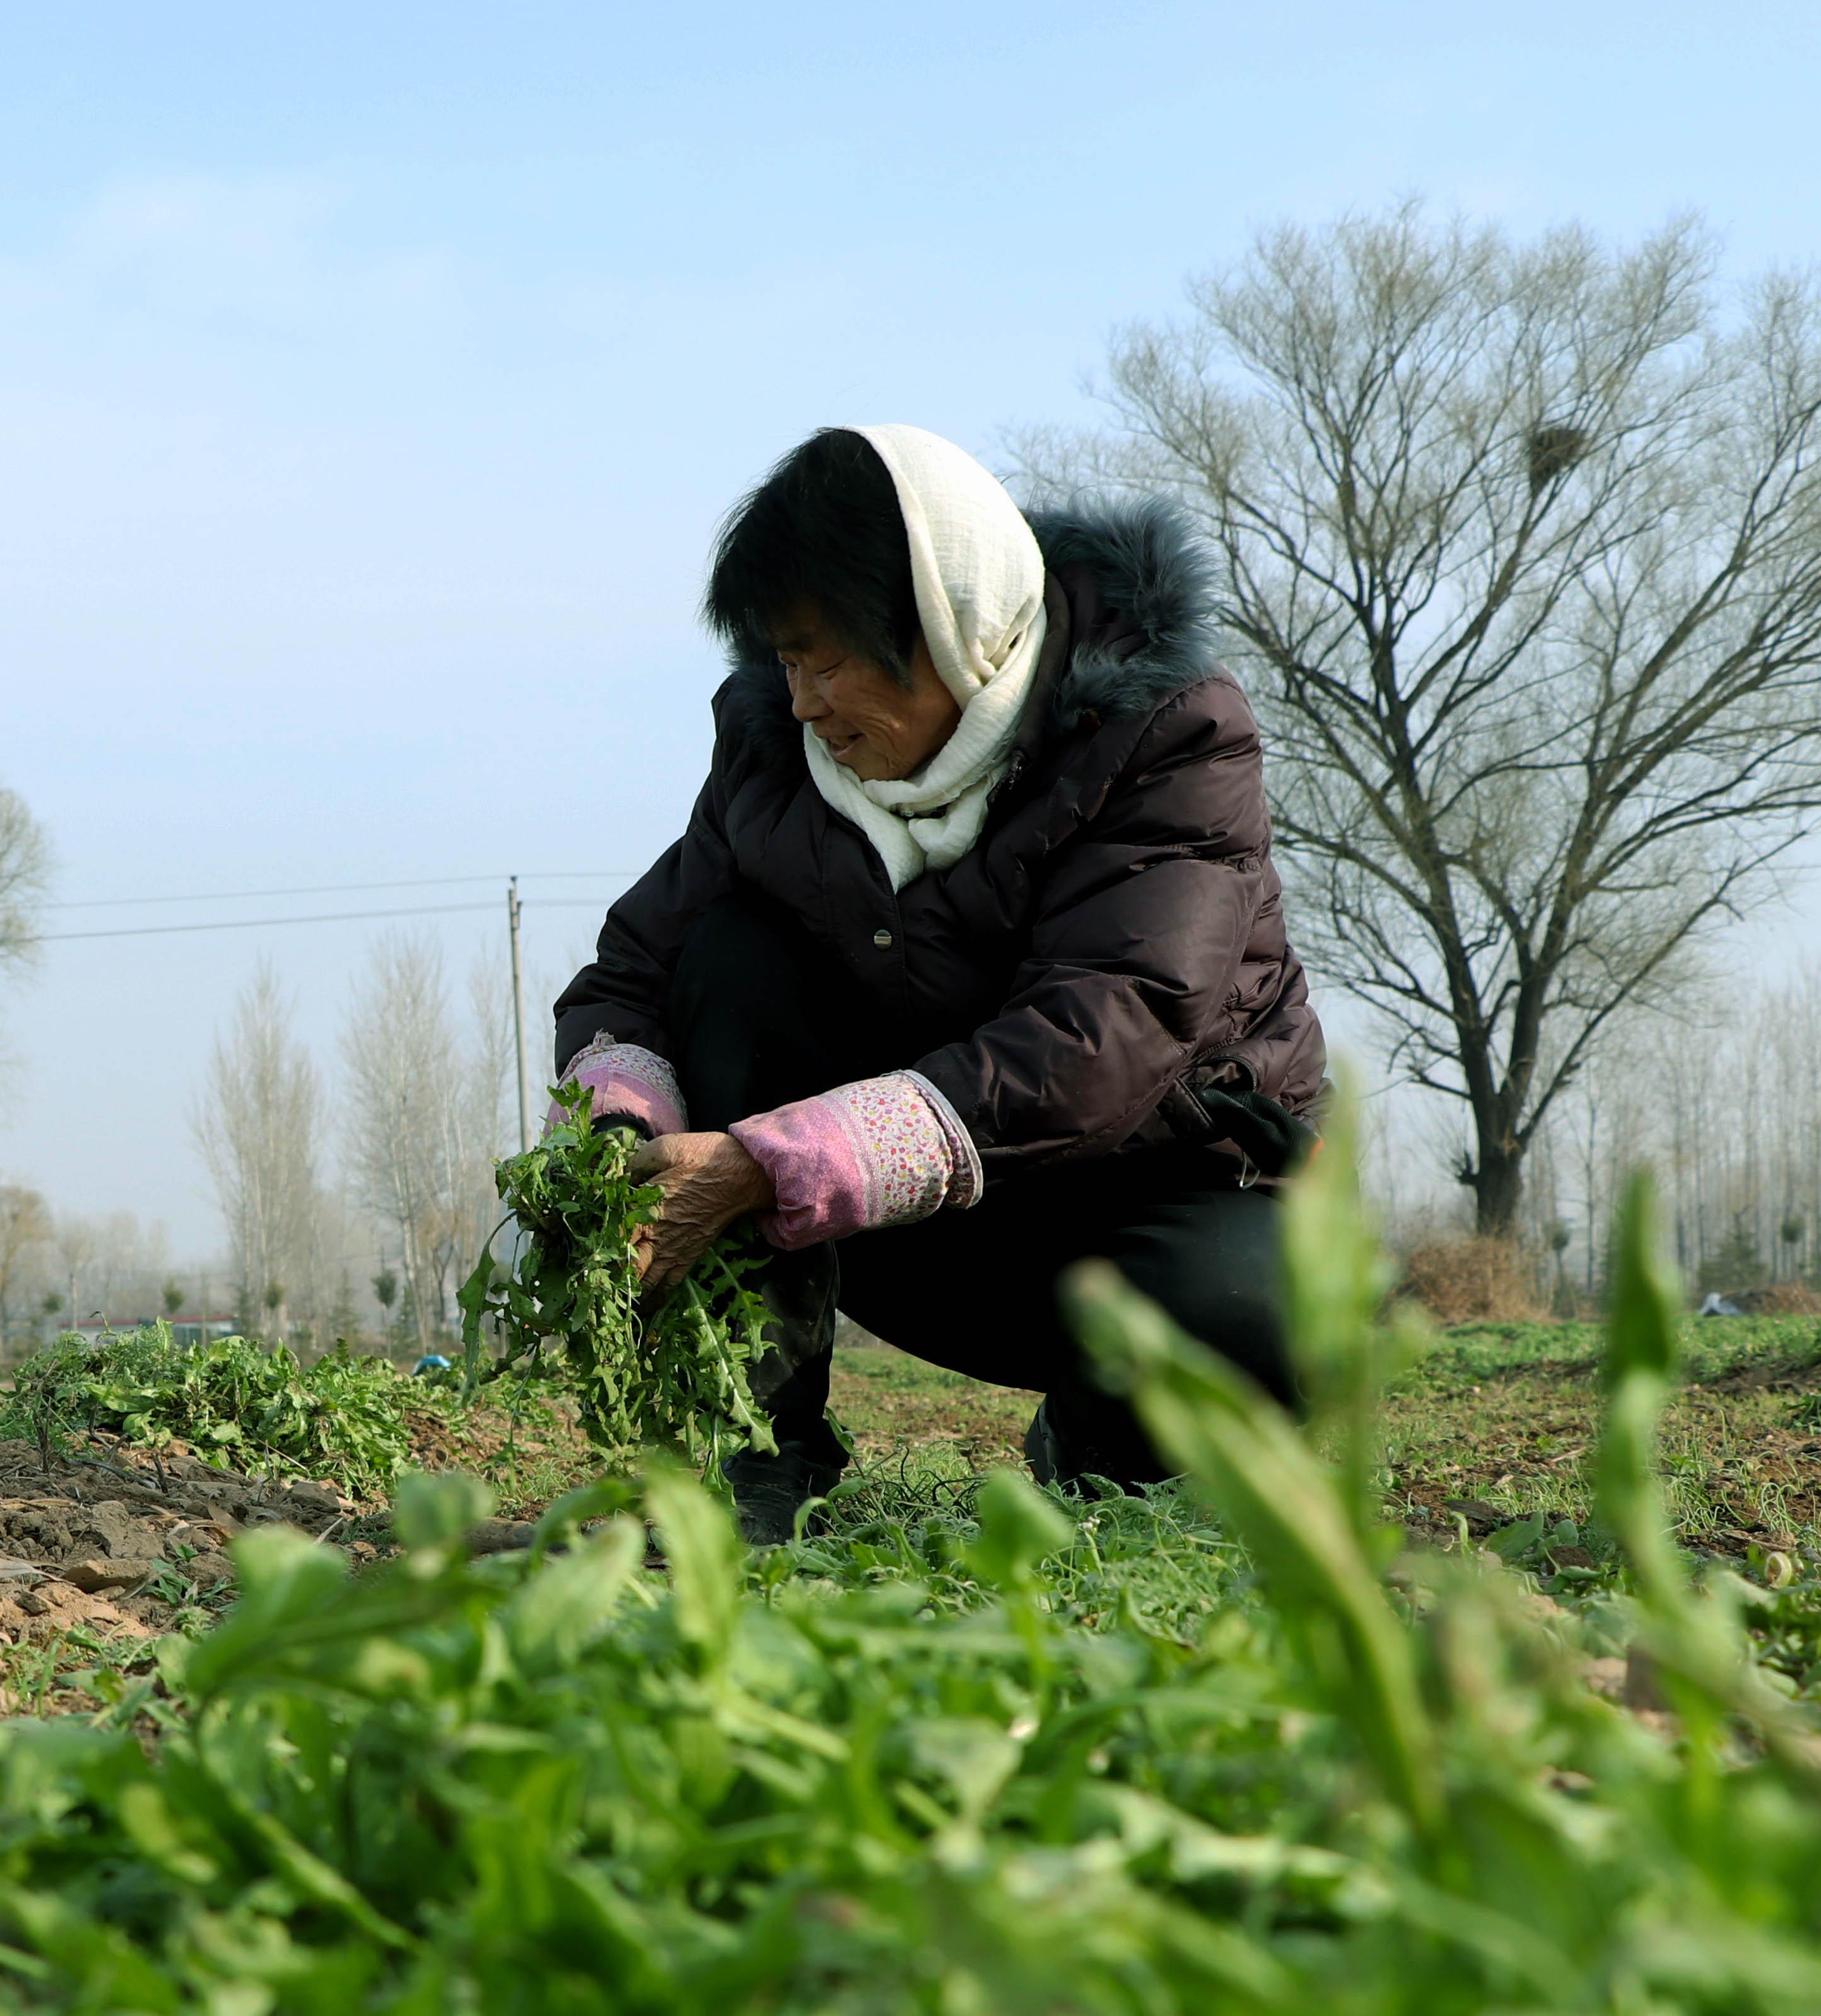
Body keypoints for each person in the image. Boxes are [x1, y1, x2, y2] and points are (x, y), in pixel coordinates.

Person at [551, 425, 1326, 1537]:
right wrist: (627, 1144)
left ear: (949, 630)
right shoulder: (778, 752)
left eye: (828, 657)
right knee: (727, 957)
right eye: (784, 659)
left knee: (1258, 1312)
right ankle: (751, 1444)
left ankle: (1104, 1442)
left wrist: (773, 1163)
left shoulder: (1162, 735)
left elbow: (1102, 1038)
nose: (804, 699)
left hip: (1144, 1210)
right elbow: (637, 971)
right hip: (894, 1220)